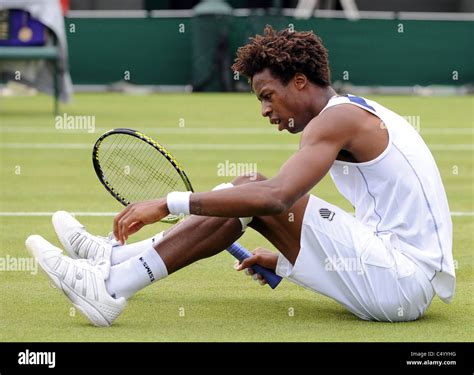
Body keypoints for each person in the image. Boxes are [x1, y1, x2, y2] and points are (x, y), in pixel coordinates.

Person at [26, 25, 455, 327]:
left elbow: (276, 199)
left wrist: (168, 202)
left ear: (301, 82)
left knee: (255, 190)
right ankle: (114, 259)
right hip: (397, 275)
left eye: (268, 96)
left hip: (401, 284)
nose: (266, 111)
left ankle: (112, 285)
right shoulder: (352, 111)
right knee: (250, 182)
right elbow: (379, 219)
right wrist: (285, 258)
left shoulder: (337, 120)